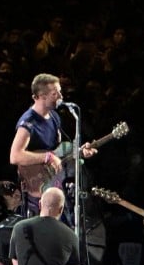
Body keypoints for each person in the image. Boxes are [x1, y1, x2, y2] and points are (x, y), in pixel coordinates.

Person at [8, 73, 96, 221]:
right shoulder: (29, 122)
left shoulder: (54, 117)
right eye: (55, 93)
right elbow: (15, 156)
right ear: (41, 96)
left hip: (54, 182)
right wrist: (47, 157)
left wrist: (80, 151)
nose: (61, 96)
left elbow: (60, 151)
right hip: (38, 187)